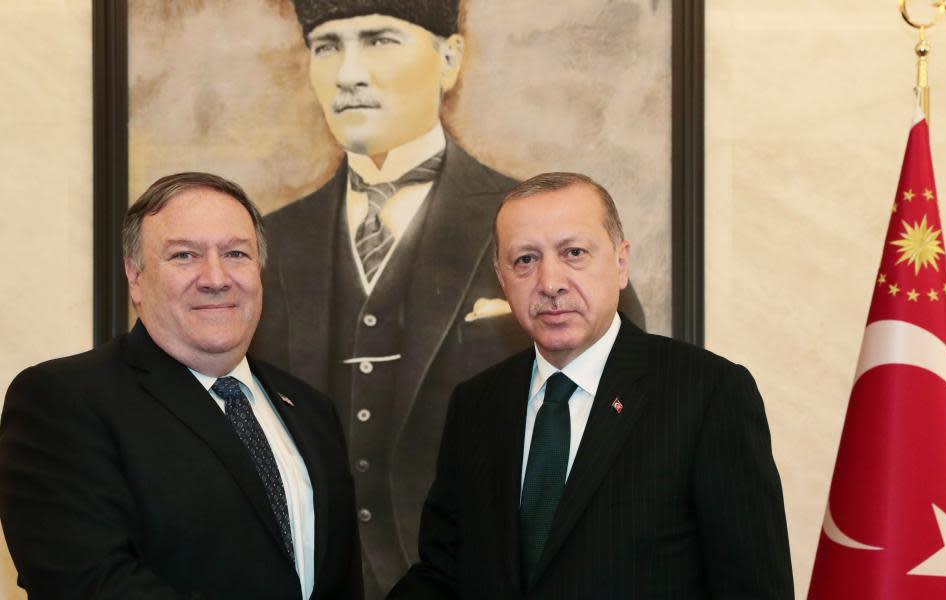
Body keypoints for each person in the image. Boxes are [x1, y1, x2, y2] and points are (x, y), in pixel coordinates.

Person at [250, 1, 645, 597]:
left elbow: (625, 417)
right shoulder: (269, 243)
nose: (348, 73)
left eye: (380, 40)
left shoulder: (534, 230)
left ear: (450, 57)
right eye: (327, 45)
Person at [389, 172, 794, 599]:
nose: (550, 282)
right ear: (501, 277)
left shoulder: (707, 393)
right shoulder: (477, 404)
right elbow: (444, 574)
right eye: (525, 259)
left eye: (574, 253)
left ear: (621, 263)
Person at [0, 173, 362, 599]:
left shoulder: (310, 409)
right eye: (185, 255)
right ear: (135, 276)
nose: (216, 277)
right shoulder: (61, 400)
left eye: (236, 253)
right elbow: (87, 583)